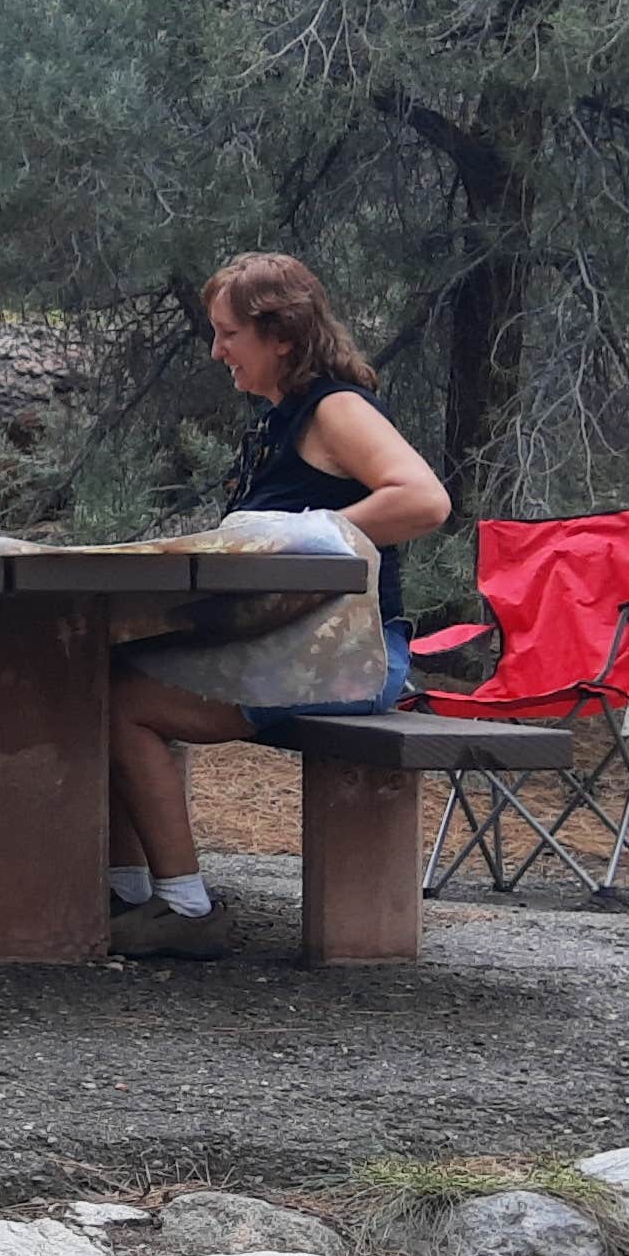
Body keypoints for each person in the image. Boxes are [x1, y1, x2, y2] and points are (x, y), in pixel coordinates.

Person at [105, 252, 451, 957]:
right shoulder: (276, 423)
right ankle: (127, 893)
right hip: (289, 645)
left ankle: (185, 910)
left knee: (120, 698)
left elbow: (423, 501)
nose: (217, 350)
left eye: (229, 333)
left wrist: (313, 532)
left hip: (350, 658)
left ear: (282, 336)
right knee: (105, 668)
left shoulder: (335, 408)